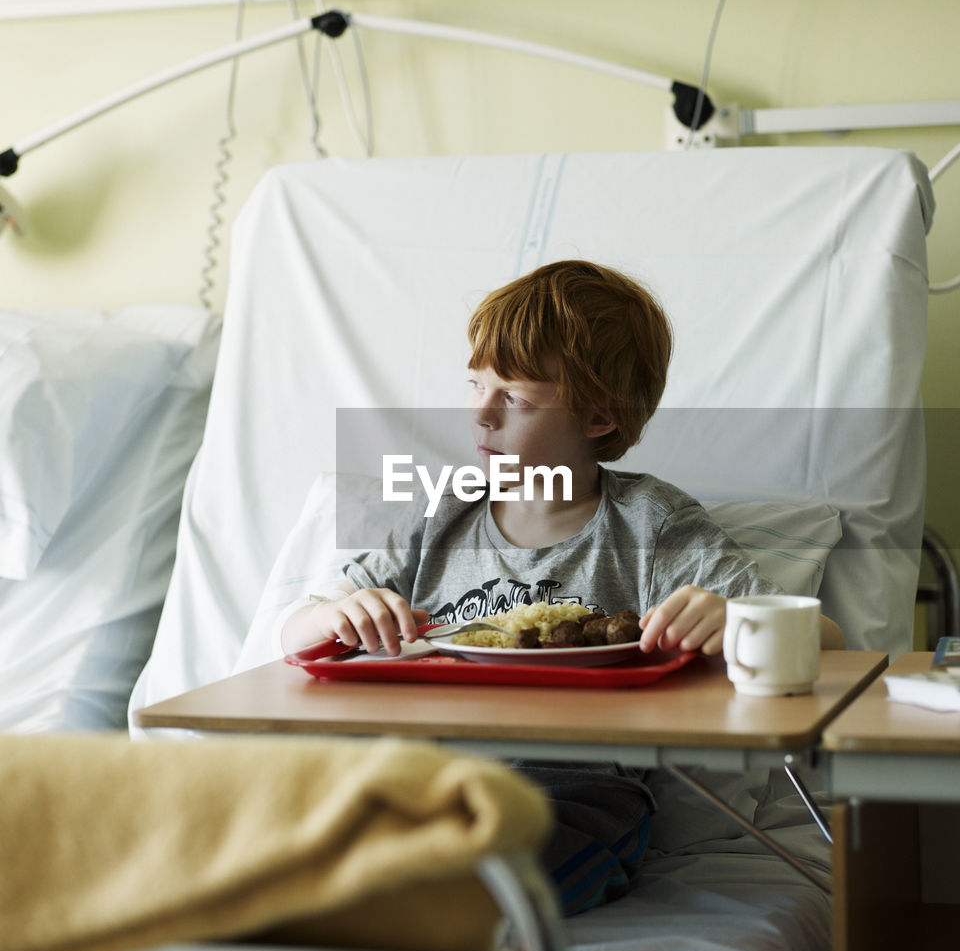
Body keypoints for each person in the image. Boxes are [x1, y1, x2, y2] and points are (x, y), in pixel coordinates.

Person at [282, 260, 845, 915]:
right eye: (475, 386)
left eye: (514, 399)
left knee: (503, 871)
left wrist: (735, 617)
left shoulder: (651, 525)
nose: (481, 416)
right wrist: (339, 615)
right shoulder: (440, 515)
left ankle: (442, 926)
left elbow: (829, 640)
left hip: (579, 787)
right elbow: (294, 630)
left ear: (600, 415)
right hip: (431, 773)